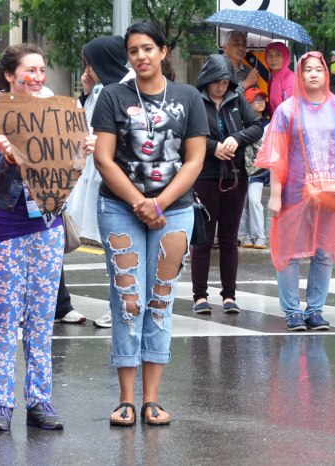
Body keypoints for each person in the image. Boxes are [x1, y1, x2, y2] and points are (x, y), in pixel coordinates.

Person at [92, 20, 208, 426]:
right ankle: (126, 399)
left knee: (159, 300)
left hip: (174, 209)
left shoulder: (188, 96)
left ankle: (152, 400)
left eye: (147, 48)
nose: (140, 56)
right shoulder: (112, 96)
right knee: (129, 301)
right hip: (121, 208)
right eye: (133, 50)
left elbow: (195, 160)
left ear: (163, 52)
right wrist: (141, 201)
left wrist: (160, 202)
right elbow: (103, 158)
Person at [0, 44, 96, 432]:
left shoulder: (59, 115)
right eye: (30, 70)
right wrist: (10, 159)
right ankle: (2, 404)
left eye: (42, 70)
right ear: (9, 75)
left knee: (42, 320)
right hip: (1, 228)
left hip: (45, 226)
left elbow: (65, 171)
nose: (39, 77)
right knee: (3, 320)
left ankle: (40, 400)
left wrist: (83, 148)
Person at [256, 51, 335, 331]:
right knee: (290, 253)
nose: (313, 74)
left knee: (324, 253)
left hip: (331, 192)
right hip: (294, 193)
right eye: (307, 70)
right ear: (300, 75)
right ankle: (292, 310)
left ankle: (315, 310)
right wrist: (276, 195)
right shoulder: (287, 110)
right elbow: (276, 155)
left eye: (318, 69)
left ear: (326, 74)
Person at [64, 35, 136, 329]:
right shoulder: (103, 90)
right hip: (98, 176)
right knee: (112, 246)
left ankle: (120, 306)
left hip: (119, 179)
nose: (87, 69)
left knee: (119, 247)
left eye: (90, 64)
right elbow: (84, 125)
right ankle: (117, 304)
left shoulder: (127, 89)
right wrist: (86, 92)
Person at [190, 55, 263, 315]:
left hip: (235, 176)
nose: (221, 87)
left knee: (230, 239)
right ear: (207, 80)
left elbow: (256, 127)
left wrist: (237, 138)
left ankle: (229, 295)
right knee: (203, 238)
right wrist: (213, 148)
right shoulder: (195, 99)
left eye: (225, 82)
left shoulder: (236, 98)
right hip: (204, 175)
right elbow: (186, 134)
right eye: (216, 82)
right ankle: (199, 295)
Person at [240, 87, 271, 249]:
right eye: (255, 99)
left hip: (259, 171)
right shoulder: (241, 122)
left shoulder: (269, 124)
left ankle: (259, 236)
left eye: (261, 99)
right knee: (243, 204)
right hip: (243, 170)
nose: (260, 102)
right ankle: (246, 235)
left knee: (254, 201)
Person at [264, 42, 296, 117]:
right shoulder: (273, 78)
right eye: (269, 55)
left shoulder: (289, 78)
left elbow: (291, 111)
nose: (273, 59)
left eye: (278, 55)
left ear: (285, 56)